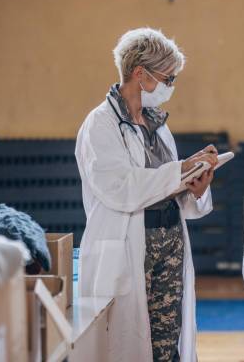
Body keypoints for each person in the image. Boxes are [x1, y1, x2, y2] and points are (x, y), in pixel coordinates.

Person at [75, 27, 218, 361]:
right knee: (126, 341)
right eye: (167, 78)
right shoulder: (100, 125)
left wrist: (195, 187)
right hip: (128, 246)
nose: (171, 87)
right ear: (139, 74)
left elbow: (168, 185)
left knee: (167, 339)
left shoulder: (157, 124)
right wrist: (181, 170)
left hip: (170, 241)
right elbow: (121, 188)